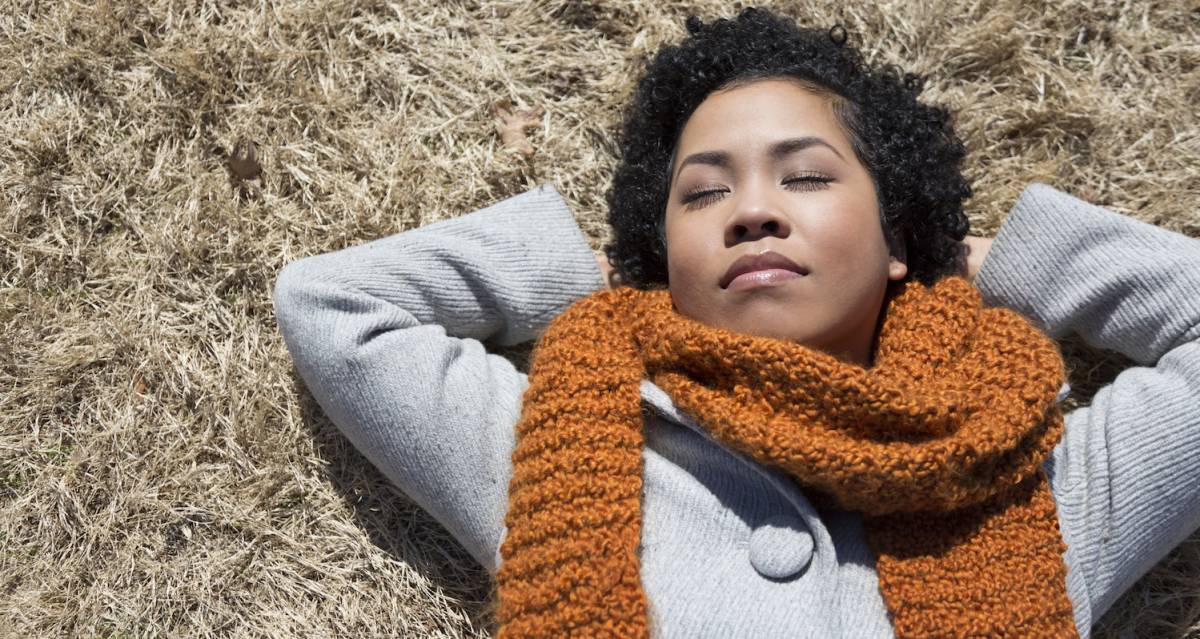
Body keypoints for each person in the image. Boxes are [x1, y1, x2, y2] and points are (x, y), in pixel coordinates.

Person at [272, 7, 1200, 638]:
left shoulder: (1031, 489)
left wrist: (988, 256)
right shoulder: (568, 442)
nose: (750, 210)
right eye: (703, 192)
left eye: (805, 176)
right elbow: (336, 303)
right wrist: (594, 274)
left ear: (895, 227)